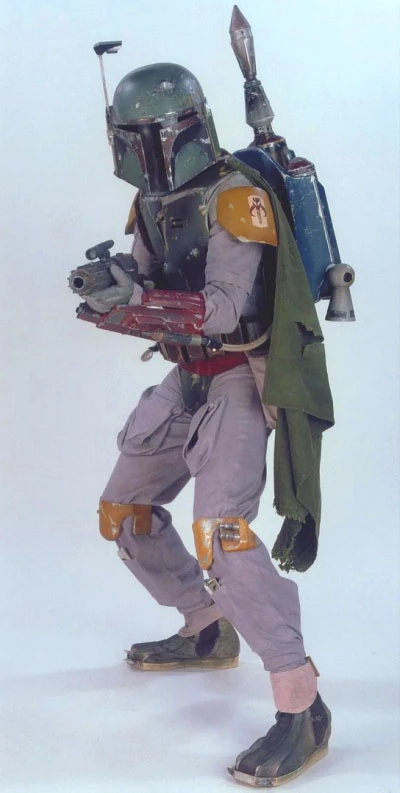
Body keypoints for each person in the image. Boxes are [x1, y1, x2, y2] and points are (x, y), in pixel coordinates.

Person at [82, 62, 332, 787]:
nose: (142, 150)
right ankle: (206, 627)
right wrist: (115, 292)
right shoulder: (152, 205)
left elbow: (224, 309)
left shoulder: (235, 198)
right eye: (129, 137)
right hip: (184, 375)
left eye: (150, 135)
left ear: (182, 130)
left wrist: (135, 300)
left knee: (222, 533)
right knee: (124, 511)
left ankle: (302, 704)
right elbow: (147, 284)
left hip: (239, 379)